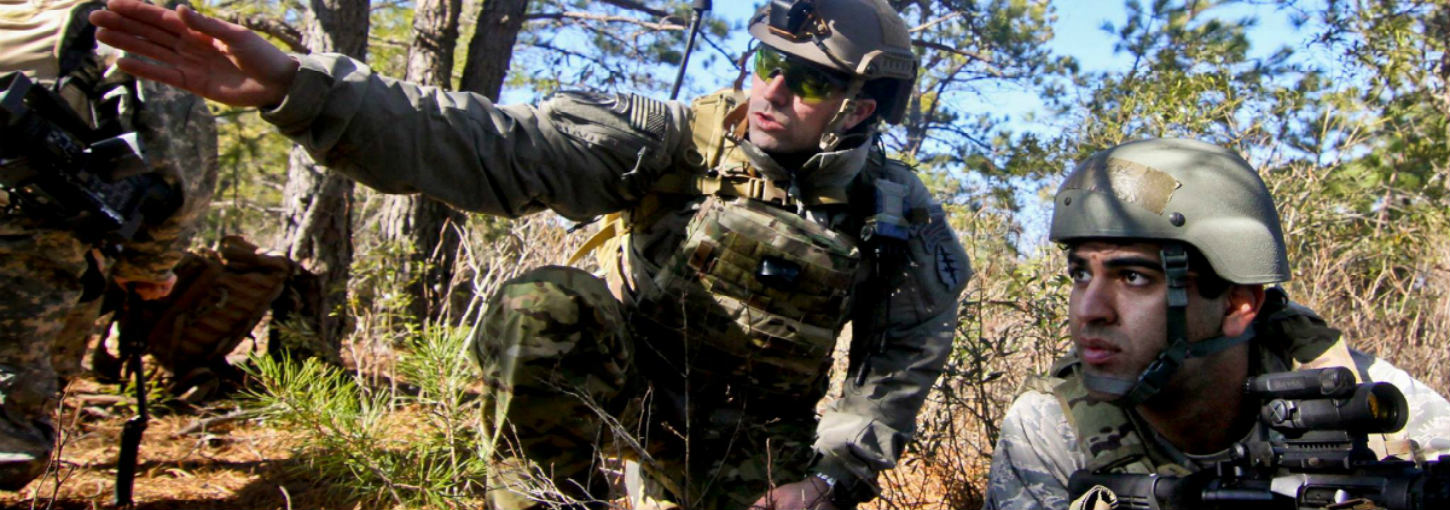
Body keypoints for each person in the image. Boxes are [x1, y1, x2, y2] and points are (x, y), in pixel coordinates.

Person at [90, 0, 972, 507]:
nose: (771, 91)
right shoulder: (671, 141)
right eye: (764, 61)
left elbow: (896, 373)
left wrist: (827, 480)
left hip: (760, 454)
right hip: (634, 393)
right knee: (544, 304)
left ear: (862, 108)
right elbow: (484, 144)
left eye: (809, 80)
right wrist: (302, 90)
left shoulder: (900, 222)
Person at [981, 138, 1450, 510]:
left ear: (1236, 305)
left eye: (1134, 277)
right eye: (1081, 273)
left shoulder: (1356, 395)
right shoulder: (1051, 426)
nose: (1089, 309)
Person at [0, 0, 216, 490]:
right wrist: (148, 267)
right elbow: (179, 166)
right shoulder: (115, 29)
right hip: (31, 255)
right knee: (9, 428)